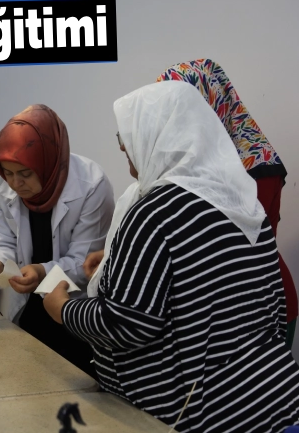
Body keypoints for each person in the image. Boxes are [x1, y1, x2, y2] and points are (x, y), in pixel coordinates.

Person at [46, 81, 299, 433]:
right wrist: (120, 261)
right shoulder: (240, 200)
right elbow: (267, 304)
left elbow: (128, 323)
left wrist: (64, 308)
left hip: (204, 415)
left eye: (127, 138)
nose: (125, 151)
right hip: (272, 400)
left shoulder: (156, 211)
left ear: (158, 137)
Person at [0, 104, 114, 379]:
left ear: (48, 163)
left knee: (72, 383)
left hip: (71, 306)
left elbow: (85, 263)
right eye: (8, 173)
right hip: (27, 305)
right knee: (25, 377)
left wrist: (42, 271)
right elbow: (1, 239)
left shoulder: (91, 185)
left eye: (25, 174)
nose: (15, 183)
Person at [156, 58, 297, 346]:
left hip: (260, 306)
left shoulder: (255, 166)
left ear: (206, 105)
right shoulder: (199, 159)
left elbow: (227, 251)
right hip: (232, 307)